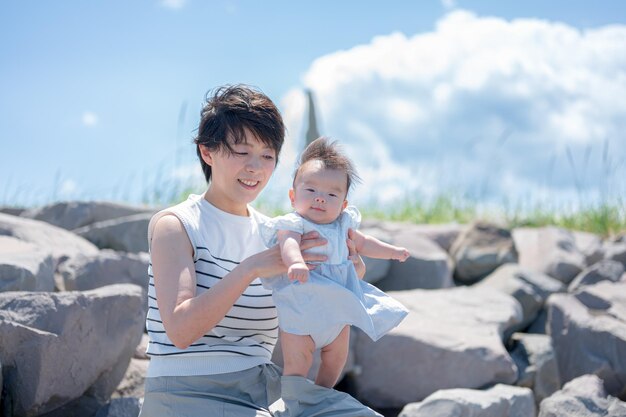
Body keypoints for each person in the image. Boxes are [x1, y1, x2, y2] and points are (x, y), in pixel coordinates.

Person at [138, 85, 383, 417]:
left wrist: (346, 277)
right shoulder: (177, 225)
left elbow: (314, 310)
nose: (255, 167)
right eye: (241, 152)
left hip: (265, 392)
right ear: (207, 152)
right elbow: (181, 330)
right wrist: (251, 268)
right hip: (186, 394)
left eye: (267, 155)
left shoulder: (279, 234)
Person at [260, 137, 409, 389]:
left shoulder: (343, 225)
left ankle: (323, 394)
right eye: (311, 190)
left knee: (335, 359)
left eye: (331, 194)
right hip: (302, 308)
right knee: (298, 362)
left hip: (338, 312)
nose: (320, 198)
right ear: (293, 196)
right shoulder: (295, 223)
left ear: (343, 205)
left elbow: (365, 243)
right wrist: (295, 262)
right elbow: (288, 244)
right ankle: (293, 401)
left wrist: (392, 251)